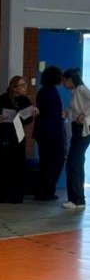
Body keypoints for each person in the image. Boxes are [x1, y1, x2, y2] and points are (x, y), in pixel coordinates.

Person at [0, 75, 37, 203]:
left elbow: (27, 120)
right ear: (14, 88)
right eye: (21, 85)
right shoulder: (2, 99)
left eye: (25, 85)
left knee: (17, 165)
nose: (24, 88)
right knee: (2, 165)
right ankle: (0, 195)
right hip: (3, 135)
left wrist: (31, 115)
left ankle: (15, 196)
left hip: (18, 135)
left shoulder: (25, 100)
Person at [32, 66, 65, 201]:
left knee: (46, 161)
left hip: (43, 131)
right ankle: (47, 190)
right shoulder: (51, 92)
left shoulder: (43, 90)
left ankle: (44, 191)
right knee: (56, 160)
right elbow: (52, 114)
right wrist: (61, 116)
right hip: (52, 132)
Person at [61, 67, 90, 209]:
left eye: (64, 81)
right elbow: (76, 110)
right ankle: (77, 199)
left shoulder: (81, 89)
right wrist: (67, 113)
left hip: (82, 130)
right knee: (75, 163)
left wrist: (84, 114)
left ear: (70, 80)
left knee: (73, 162)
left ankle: (76, 199)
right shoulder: (75, 92)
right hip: (77, 130)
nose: (63, 84)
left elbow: (83, 109)